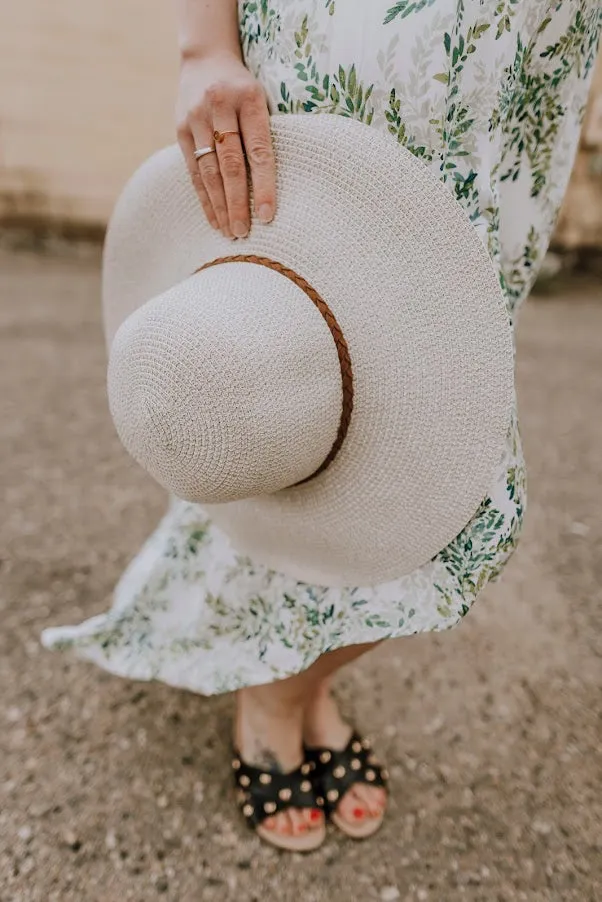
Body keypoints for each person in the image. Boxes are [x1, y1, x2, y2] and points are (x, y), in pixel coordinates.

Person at [43, 0, 601, 851]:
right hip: (359, 54)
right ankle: (273, 691)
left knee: (407, 434)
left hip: (511, 98)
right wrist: (203, 45)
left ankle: (292, 674)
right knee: (264, 391)